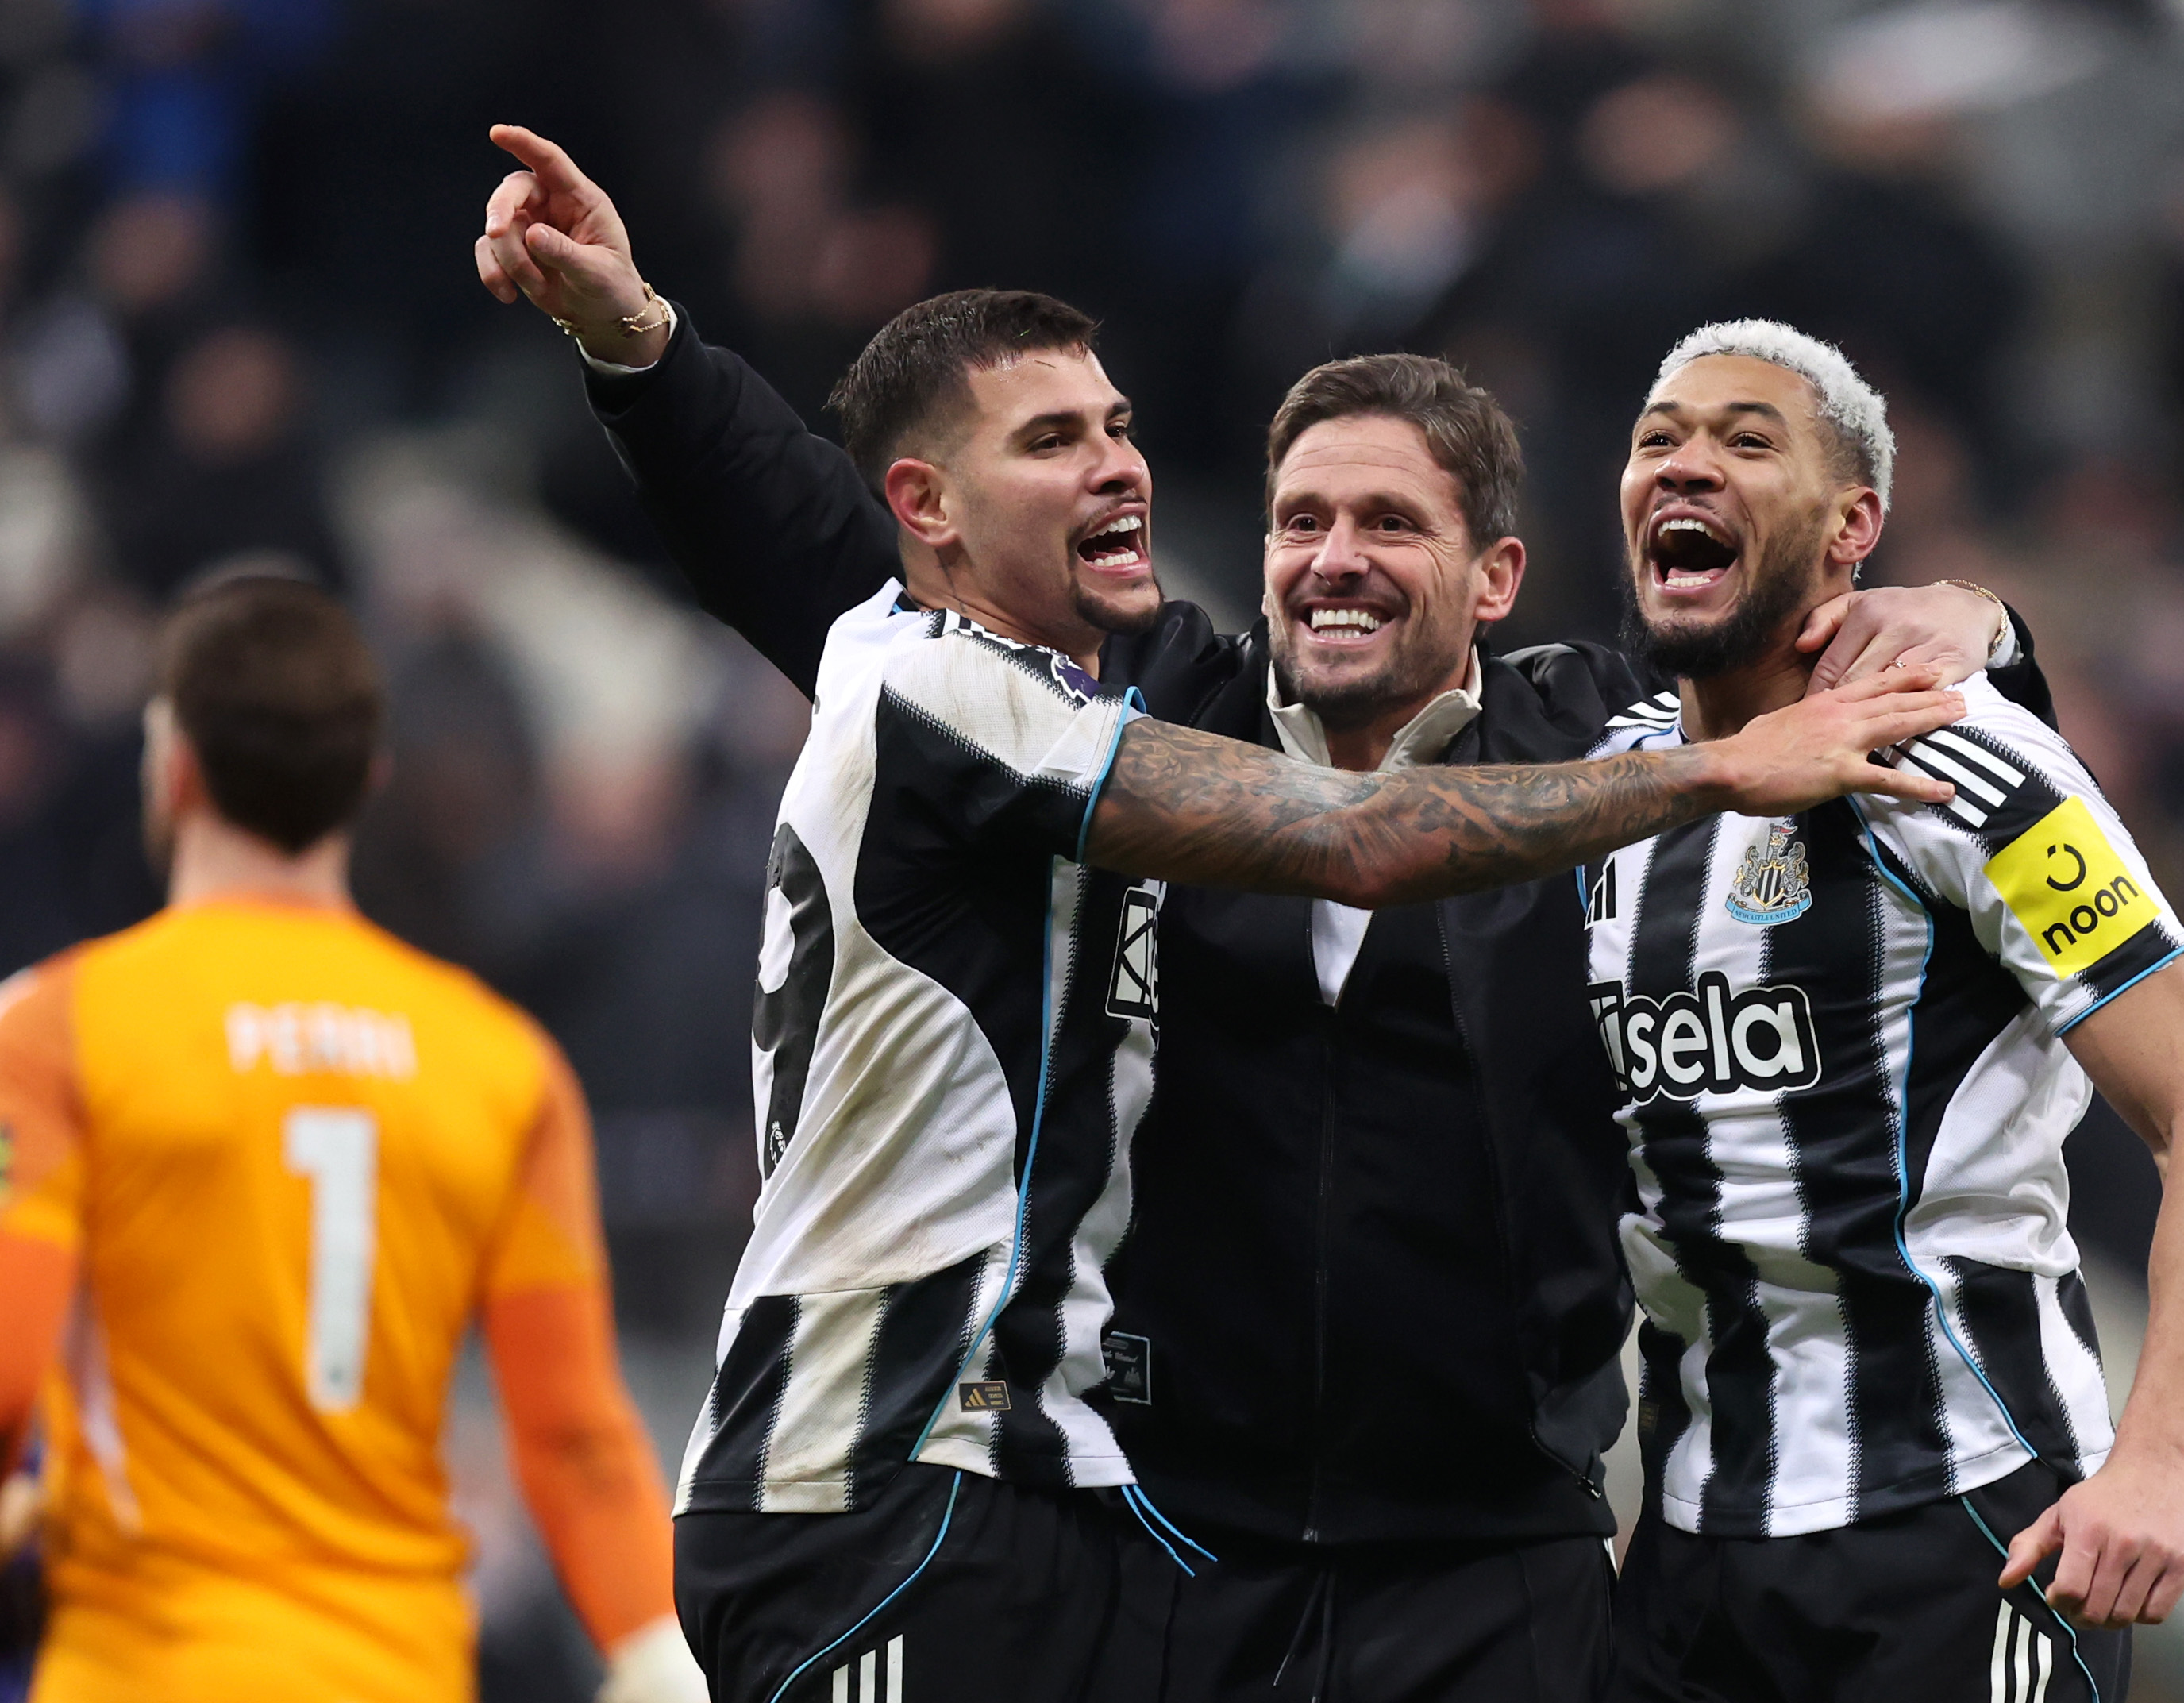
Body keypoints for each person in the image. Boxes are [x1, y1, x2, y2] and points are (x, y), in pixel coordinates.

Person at [472, 127, 2032, 1702]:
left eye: (1387, 525)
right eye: (1299, 522)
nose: (1331, 562)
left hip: (1493, 1552)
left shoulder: (1609, 736)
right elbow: (833, 551)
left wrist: (1984, 625)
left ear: (1495, 577)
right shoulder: (1142, 711)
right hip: (1171, 1541)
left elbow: (1838, 681)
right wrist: (641, 348)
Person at [1585, 321, 2184, 1699]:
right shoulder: (1594, 787)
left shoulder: (1962, 756)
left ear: (1855, 525)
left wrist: (2154, 1460)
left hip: (1962, 1521)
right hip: (1688, 1548)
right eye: (1657, 439)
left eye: (1745, 440)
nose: (1684, 466)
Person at [0, 578, 706, 1703]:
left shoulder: (57, 1028)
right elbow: (574, 1436)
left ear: (173, 766)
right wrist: (651, 1648)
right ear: (368, 780)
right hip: (400, 1667)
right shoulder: (501, 1061)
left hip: (148, 1662)